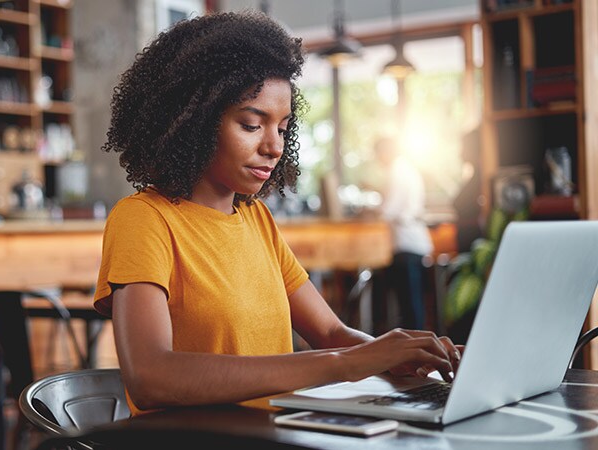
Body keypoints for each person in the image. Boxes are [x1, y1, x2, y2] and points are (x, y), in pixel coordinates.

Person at [94, 11, 459, 415]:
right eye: (252, 125)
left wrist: (394, 353)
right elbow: (151, 377)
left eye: (283, 129)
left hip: (276, 434)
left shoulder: (256, 219)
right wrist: (347, 364)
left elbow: (331, 332)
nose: (274, 147)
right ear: (192, 123)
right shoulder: (145, 219)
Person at [373, 137, 434, 330]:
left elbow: (389, 210)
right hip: (411, 243)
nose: (378, 159)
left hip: (407, 244)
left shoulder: (397, 171)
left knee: (410, 305)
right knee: (411, 304)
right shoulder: (406, 169)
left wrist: (372, 211)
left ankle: (416, 352)